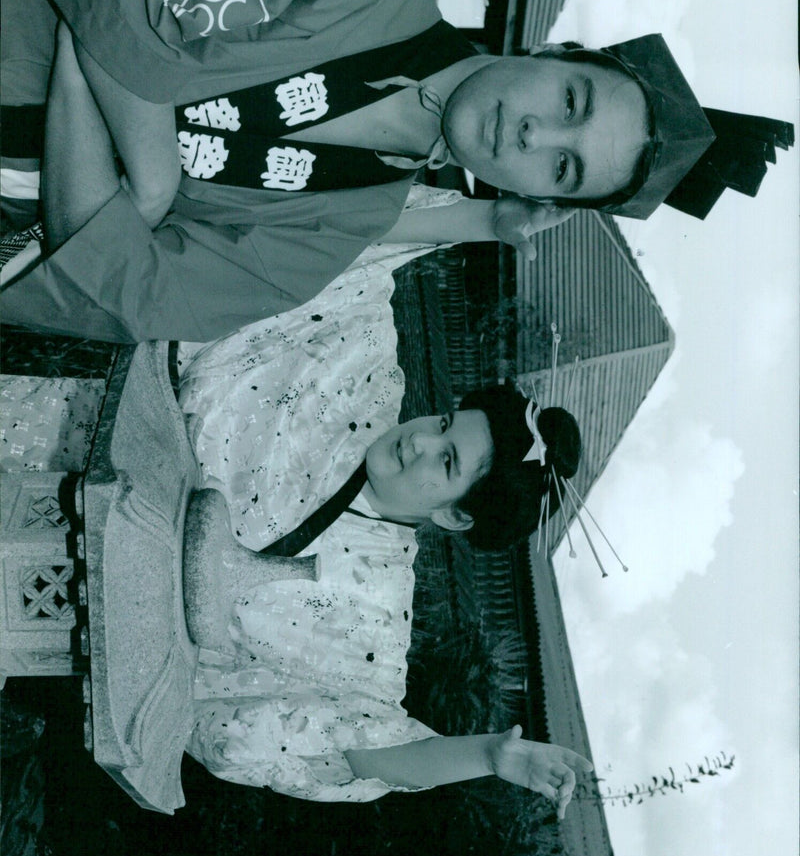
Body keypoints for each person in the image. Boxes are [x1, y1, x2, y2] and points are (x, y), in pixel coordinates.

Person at [2, 0, 791, 341]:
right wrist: (147, 181)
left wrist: (95, 50)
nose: (535, 135)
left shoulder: (340, 226)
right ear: (556, 50)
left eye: (563, 167)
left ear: (542, 195)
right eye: (571, 103)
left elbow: (120, 293)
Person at [175, 237, 585, 804]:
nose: (419, 439)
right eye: (443, 422)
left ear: (456, 514)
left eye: (446, 460)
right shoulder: (358, 366)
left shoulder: (374, 615)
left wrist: (490, 755)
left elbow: (362, 745)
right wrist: (486, 218)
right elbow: (361, 240)